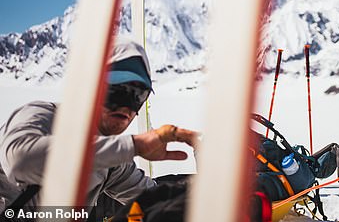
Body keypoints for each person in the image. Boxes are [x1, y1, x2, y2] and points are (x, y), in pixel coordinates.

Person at [0, 39, 198, 213]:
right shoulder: (40, 116)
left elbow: (149, 197)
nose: (126, 106)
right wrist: (135, 146)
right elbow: (20, 161)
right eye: (118, 91)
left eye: (138, 96)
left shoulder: (113, 160)